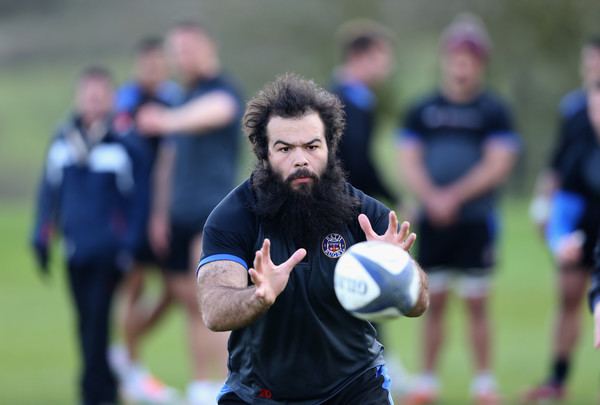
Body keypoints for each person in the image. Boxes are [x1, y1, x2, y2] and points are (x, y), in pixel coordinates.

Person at [195, 73, 429, 404]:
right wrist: (259, 296)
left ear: (330, 147)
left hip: (354, 387)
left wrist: (399, 271)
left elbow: (419, 303)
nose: (301, 159)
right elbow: (214, 310)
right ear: (264, 153)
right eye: (285, 148)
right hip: (260, 392)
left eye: (312, 146)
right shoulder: (233, 217)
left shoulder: (363, 215)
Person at [397, 14, 520, 405]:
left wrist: (455, 197)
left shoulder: (494, 110)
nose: (461, 65)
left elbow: (498, 162)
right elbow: (409, 158)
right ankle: (427, 383)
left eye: (469, 58)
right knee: (431, 301)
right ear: (446, 60)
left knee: (476, 303)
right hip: (433, 223)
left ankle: (484, 384)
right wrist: (432, 197)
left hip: (474, 221)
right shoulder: (423, 109)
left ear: (481, 63)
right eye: (455, 57)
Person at [136, 21, 244, 405]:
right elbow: (167, 160)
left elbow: (219, 111)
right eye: (176, 51)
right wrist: (159, 214)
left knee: (212, 303)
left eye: (188, 48)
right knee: (190, 306)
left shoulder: (220, 90)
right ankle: (201, 386)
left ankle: (221, 386)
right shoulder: (181, 97)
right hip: (178, 216)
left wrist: (166, 120)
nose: (182, 57)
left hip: (210, 214)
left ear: (207, 47)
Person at [31, 66, 146, 405]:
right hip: (74, 249)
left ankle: (95, 393)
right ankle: (102, 389)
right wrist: (39, 237)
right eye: (88, 94)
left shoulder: (124, 143)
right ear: (78, 97)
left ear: (111, 98)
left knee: (97, 322)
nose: (93, 101)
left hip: (109, 252)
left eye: (100, 94)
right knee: (85, 322)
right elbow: (48, 194)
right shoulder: (63, 141)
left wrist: (129, 245)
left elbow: (138, 201)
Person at [109, 37, 181, 403]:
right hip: (133, 212)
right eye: (148, 64)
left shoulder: (174, 99)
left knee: (174, 291)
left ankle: (124, 353)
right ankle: (132, 368)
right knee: (134, 286)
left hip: (168, 210)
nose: (154, 70)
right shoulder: (127, 102)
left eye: (159, 63)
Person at [523, 80, 600, 403]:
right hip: (587, 236)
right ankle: (557, 377)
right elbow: (564, 205)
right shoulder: (580, 151)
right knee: (570, 297)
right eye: (595, 107)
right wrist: (559, 240)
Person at [529, 37, 600, 231]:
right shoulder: (572, 108)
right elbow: (558, 159)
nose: (593, 65)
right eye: (589, 59)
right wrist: (542, 205)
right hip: (574, 203)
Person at [331, 19, 399, 206]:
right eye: (382, 58)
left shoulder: (362, 101)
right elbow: (358, 162)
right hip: (341, 204)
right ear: (358, 56)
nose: (388, 67)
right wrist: (394, 200)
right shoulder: (335, 102)